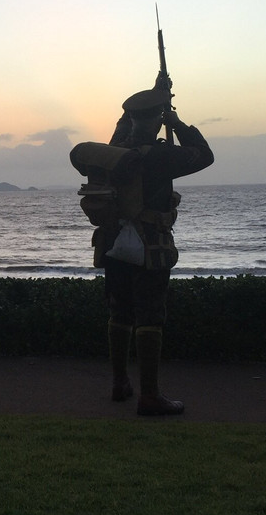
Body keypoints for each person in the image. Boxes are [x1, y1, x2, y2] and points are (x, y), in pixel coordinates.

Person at [74, 80, 214, 416]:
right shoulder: (162, 155)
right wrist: (177, 122)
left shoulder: (114, 151)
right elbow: (205, 155)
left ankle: (120, 382)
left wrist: (153, 95)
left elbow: (122, 127)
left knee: (119, 312)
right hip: (150, 245)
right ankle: (150, 396)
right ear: (157, 119)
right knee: (150, 315)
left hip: (113, 243)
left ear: (130, 118)